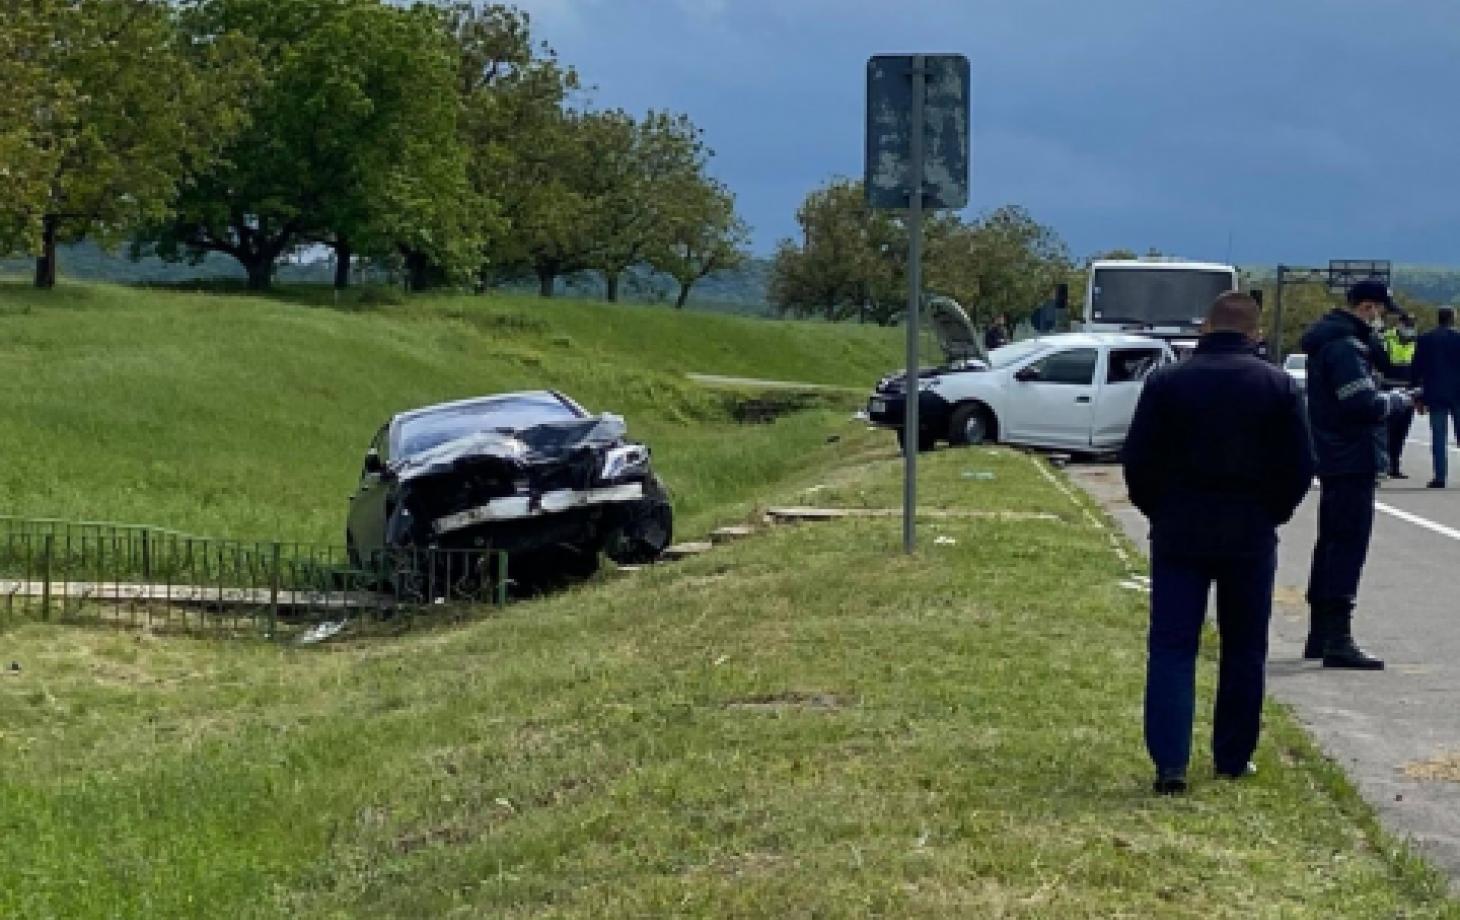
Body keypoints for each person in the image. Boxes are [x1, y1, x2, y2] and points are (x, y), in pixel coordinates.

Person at [1123, 292, 1314, 794]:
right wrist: (1274, 512)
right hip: (1250, 532)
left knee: (1172, 646)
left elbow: (1137, 461)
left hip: (1179, 529)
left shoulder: (1165, 382)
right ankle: (1232, 756)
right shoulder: (1277, 385)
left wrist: (1158, 509)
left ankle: (1170, 763)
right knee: (1245, 647)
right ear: (1255, 334)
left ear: (1205, 327)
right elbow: (1299, 465)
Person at [1300, 279, 1414, 670]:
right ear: (1368, 307)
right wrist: (1399, 400)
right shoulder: (1345, 347)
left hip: (1335, 456)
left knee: (1331, 543)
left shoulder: (1334, 340)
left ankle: (1319, 634)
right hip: (1352, 457)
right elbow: (1362, 402)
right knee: (1348, 545)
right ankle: (1337, 637)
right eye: (1379, 311)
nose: (1380, 319)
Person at [1411, 306, 1460, 488]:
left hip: (1435, 393)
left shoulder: (1425, 339)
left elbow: (1416, 368)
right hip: (1458, 393)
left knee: (1439, 436)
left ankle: (1440, 476)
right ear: (1453, 318)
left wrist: (1417, 395)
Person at [1381, 314, 1418, 478]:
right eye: (1407, 324)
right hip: (1388, 389)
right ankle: (1385, 465)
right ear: (1400, 324)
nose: (1410, 327)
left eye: (1412, 324)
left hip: (1408, 391)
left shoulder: (1415, 341)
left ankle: (1395, 465)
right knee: (1388, 430)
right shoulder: (1387, 338)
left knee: (1402, 430)